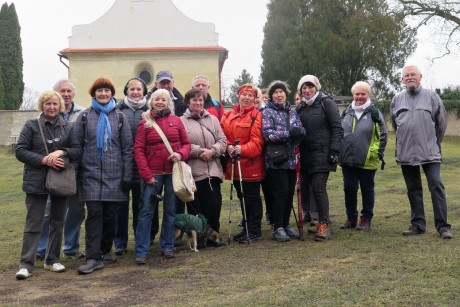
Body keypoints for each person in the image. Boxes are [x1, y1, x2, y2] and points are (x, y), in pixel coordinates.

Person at [15, 90, 81, 280]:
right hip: (36, 181)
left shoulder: (68, 127)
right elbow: (20, 151)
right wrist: (44, 160)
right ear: (41, 106)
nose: (51, 107)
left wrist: (61, 152)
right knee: (34, 223)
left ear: (60, 106)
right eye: (47, 104)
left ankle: (52, 259)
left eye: (54, 104)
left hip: (60, 181)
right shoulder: (31, 126)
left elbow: (77, 151)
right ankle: (26, 263)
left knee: (58, 222)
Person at [74, 78, 133, 274]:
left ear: (111, 93)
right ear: (93, 94)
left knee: (110, 216)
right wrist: (76, 172)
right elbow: (76, 146)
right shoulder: (84, 116)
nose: (103, 94)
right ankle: (93, 257)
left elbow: (127, 148)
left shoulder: (120, 117)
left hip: (115, 175)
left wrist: (127, 176)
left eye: (107, 91)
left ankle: (105, 250)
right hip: (90, 174)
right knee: (94, 215)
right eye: (99, 91)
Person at [390, 65, 453, 239]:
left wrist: (432, 142)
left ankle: (443, 227)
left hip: (430, 153)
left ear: (420, 77)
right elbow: (396, 126)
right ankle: (418, 224)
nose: (410, 77)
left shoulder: (432, 97)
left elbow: (441, 124)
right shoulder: (396, 99)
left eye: (413, 75)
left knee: (436, 187)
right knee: (413, 189)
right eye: (406, 75)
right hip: (405, 154)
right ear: (402, 79)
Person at [134, 89, 191, 263]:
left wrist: (180, 154)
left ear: (168, 103)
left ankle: (167, 246)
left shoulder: (176, 121)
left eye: (163, 100)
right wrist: (146, 174)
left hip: (172, 173)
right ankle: (141, 251)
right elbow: (138, 150)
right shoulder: (145, 122)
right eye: (157, 99)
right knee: (146, 212)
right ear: (152, 102)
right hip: (153, 174)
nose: (160, 102)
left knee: (170, 210)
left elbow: (186, 144)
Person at [35, 79, 86, 261]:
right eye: (62, 91)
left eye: (68, 91)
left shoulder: (82, 113)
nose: (66, 94)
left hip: (76, 167)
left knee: (76, 210)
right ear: (57, 93)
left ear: (74, 94)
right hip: (53, 169)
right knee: (49, 211)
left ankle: (71, 248)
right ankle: (42, 249)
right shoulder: (48, 113)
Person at [113, 77, 159, 255]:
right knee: (120, 206)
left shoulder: (151, 110)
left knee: (144, 204)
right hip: (122, 166)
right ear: (126, 91)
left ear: (144, 92)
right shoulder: (117, 110)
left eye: (139, 89)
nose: (135, 92)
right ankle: (120, 242)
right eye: (132, 89)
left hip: (144, 166)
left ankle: (145, 237)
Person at [296, 75, 343, 242]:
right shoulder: (300, 107)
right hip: (305, 155)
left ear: (316, 88)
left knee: (318, 187)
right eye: (304, 88)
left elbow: (337, 127)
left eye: (310, 87)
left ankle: (324, 224)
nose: (307, 90)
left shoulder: (326, 103)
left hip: (323, 153)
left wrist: (335, 150)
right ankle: (317, 222)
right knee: (307, 189)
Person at [180, 88, 227, 246]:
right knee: (196, 208)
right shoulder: (181, 121)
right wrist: (199, 152)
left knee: (214, 205)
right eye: (194, 100)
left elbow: (222, 140)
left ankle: (214, 237)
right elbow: (181, 144)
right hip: (193, 170)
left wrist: (213, 151)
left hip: (212, 169)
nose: (198, 103)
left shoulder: (213, 119)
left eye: (200, 100)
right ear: (188, 102)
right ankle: (198, 238)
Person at [339, 81, 388, 231]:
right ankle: (351, 218)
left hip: (368, 160)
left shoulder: (374, 113)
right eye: (357, 94)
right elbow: (340, 132)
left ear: (368, 95)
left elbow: (383, 135)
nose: (360, 97)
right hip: (348, 160)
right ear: (353, 95)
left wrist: (375, 153)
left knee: (367, 190)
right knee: (349, 189)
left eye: (363, 94)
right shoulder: (346, 112)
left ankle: (366, 219)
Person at [261, 81, 305, 242]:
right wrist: (288, 134)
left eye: (282, 92)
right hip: (276, 160)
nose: (279, 95)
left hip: (292, 160)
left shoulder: (292, 112)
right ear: (271, 95)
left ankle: (286, 224)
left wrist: (298, 132)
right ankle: (277, 227)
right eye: (275, 92)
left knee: (289, 194)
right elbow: (268, 134)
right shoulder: (267, 112)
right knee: (280, 193)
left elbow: (301, 130)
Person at [221, 83, 265, 244]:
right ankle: (246, 227)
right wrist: (227, 147)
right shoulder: (228, 115)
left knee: (252, 198)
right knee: (241, 197)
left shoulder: (256, 115)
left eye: (250, 95)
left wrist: (242, 149)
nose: (246, 98)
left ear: (254, 98)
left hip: (251, 165)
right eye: (243, 95)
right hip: (234, 166)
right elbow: (220, 134)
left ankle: (255, 230)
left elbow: (258, 142)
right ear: (238, 96)